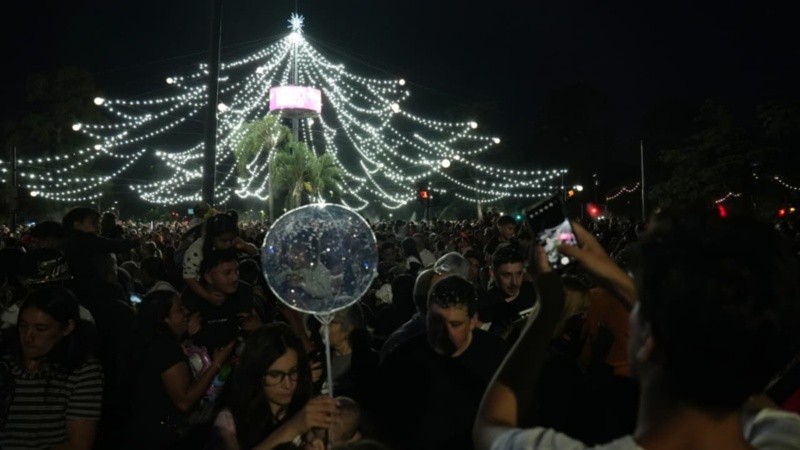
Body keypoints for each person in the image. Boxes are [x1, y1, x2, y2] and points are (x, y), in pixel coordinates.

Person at [474, 210, 800, 450]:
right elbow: (742, 368)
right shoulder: (784, 437)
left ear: (648, 342)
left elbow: (491, 426)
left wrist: (548, 309)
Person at [376, 275, 509, 450]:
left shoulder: (500, 357)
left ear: (473, 321)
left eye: (455, 324)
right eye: (437, 322)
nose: (444, 333)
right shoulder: (401, 360)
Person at [123, 289, 234, 450]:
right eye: (179, 309)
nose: (186, 313)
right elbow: (184, 401)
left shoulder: (155, 343)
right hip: (159, 437)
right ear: (164, 319)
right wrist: (217, 363)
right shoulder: (164, 349)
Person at [0, 285, 104, 450]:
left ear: (68, 327)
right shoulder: (6, 362)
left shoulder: (82, 371)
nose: (28, 337)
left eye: (41, 329)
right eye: (23, 326)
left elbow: (78, 444)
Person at [212, 323, 339, 450]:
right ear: (256, 373)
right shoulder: (230, 420)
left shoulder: (310, 407)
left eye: (293, 372)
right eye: (275, 375)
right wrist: (292, 428)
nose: (288, 385)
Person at [182, 248, 261, 356]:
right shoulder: (192, 298)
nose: (235, 277)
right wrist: (187, 333)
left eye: (236, 270)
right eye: (227, 273)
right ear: (208, 277)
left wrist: (257, 329)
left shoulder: (245, 292)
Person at [183, 211, 259, 305]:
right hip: (204, 290)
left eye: (231, 239)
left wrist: (245, 246)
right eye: (224, 240)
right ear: (212, 237)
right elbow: (189, 277)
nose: (228, 244)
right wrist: (207, 296)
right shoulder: (197, 249)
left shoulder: (233, 242)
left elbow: (255, 252)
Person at [478, 245, 539, 339]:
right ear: (493, 273)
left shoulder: (535, 293)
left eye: (519, 274)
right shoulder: (486, 306)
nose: (514, 282)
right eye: (507, 275)